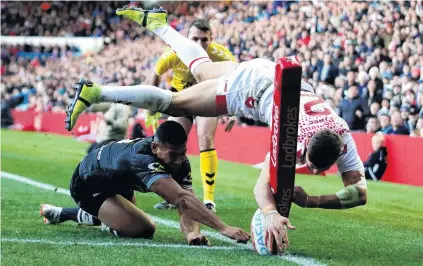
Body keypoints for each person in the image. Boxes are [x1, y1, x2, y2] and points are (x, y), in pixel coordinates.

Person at [65, 7, 368, 253]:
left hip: (268, 72)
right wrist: (270, 212)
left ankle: (157, 23)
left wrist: (311, 200)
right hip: (251, 90)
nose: (313, 172)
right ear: (306, 144)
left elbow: (359, 193)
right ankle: (96, 93)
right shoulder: (292, 135)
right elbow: (261, 188)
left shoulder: (339, 130)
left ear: (340, 145)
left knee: (200, 67)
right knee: (175, 103)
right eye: (312, 165)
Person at [41, 121, 250, 245]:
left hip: (116, 183)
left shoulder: (179, 162)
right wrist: (224, 228)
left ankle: (70, 214)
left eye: (183, 153)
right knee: (143, 229)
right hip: (88, 184)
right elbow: (180, 199)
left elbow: (187, 199)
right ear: (155, 149)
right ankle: (79, 213)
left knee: (127, 219)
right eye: (172, 154)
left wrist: (192, 233)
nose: (178, 160)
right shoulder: (141, 159)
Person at [149, 18, 237, 212]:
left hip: (207, 98)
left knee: (205, 139)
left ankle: (209, 200)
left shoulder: (221, 55)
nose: (199, 44)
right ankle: (172, 194)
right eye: (194, 39)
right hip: (182, 98)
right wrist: (151, 108)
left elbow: (236, 82)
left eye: (204, 40)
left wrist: (233, 110)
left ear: (212, 38)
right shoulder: (172, 54)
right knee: (171, 144)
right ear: (186, 38)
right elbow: (155, 74)